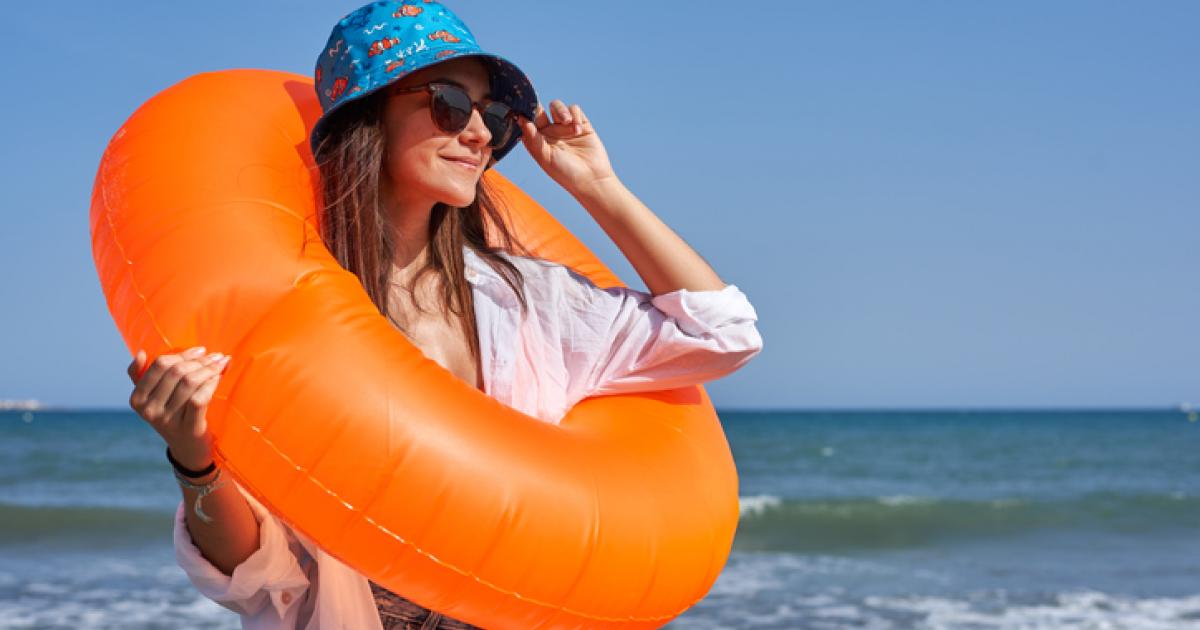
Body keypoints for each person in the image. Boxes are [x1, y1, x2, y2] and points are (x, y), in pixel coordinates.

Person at [125, 2, 764, 628]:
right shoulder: (281, 305)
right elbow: (256, 578)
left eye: (494, 115)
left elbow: (723, 331)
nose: (481, 134)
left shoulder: (526, 300)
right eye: (450, 104)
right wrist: (193, 459)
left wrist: (598, 188)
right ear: (370, 115)